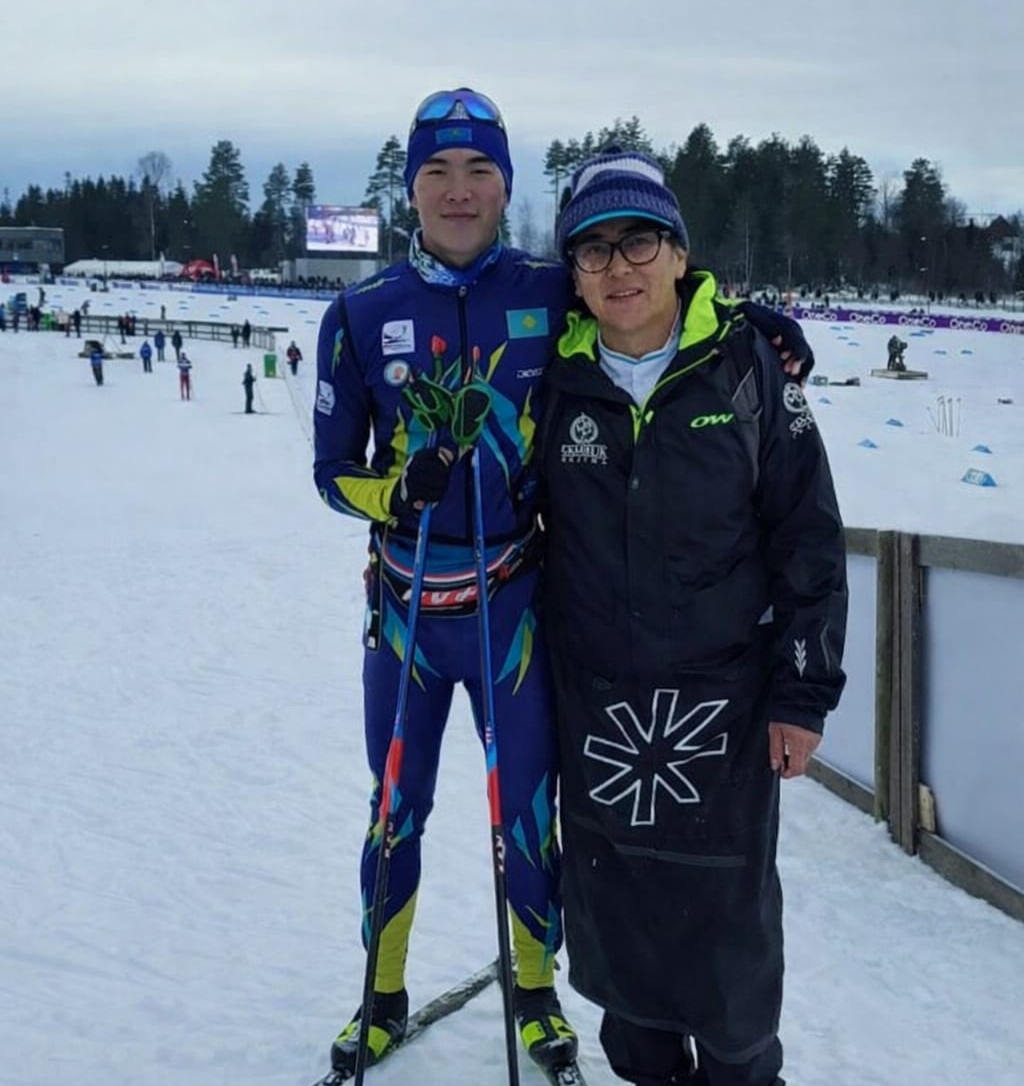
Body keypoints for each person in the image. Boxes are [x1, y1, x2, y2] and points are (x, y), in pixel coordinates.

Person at [313, 87, 817, 1084]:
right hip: (409, 615)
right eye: (436, 172)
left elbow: (654, 296)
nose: (458, 191)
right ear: (410, 186)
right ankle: (381, 995)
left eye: (480, 171)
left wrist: (751, 320)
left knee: (529, 813)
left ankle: (536, 992)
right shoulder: (360, 312)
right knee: (395, 809)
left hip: (513, 607)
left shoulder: (551, 291)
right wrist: (392, 493)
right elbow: (331, 473)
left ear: (506, 186)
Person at [537, 147, 848, 1086]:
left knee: (730, 934)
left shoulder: (748, 368)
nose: (618, 268)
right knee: (619, 926)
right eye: (593, 251)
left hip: (724, 709)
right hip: (598, 707)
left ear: (680, 253)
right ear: (573, 275)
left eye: (639, 242)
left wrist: (802, 695)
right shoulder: (549, 377)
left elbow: (807, 537)